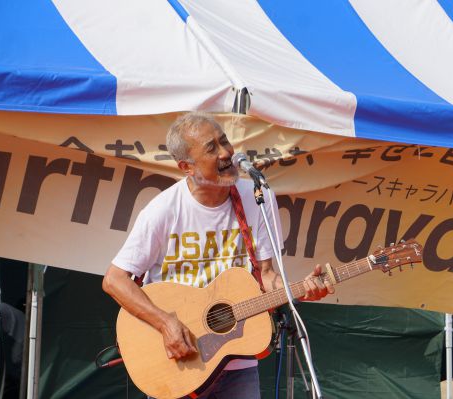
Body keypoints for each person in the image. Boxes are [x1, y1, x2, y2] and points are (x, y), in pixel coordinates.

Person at [102, 112, 334, 399]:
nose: (226, 153)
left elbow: (267, 275)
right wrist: (166, 323)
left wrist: (299, 290)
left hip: (236, 360)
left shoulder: (258, 197)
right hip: (179, 360)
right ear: (187, 166)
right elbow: (115, 280)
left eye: (224, 141)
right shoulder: (162, 210)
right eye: (211, 148)